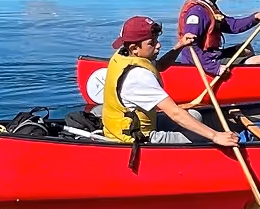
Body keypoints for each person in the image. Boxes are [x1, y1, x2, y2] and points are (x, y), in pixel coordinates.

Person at [101, 15, 240, 146]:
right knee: (202, 138)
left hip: (134, 125)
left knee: (195, 115)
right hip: (138, 137)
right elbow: (175, 113)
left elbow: (160, 65)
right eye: (152, 43)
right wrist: (215, 136)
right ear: (134, 48)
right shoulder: (138, 76)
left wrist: (180, 45)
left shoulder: (125, 56)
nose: (159, 45)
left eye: (156, 40)